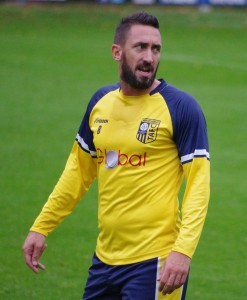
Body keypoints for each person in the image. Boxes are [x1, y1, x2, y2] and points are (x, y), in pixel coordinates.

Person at [22, 11, 210, 300]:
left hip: (156, 262)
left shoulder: (181, 107)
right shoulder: (101, 103)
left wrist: (182, 251)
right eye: (140, 47)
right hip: (104, 261)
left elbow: (198, 184)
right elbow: (77, 173)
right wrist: (41, 227)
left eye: (155, 48)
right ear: (117, 51)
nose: (149, 57)